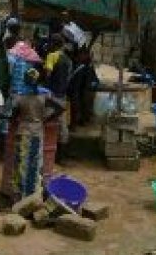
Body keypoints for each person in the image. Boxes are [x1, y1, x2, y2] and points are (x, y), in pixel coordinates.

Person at [9, 69, 64, 202]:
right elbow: (61, 108)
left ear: (25, 80)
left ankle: (20, 197)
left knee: (21, 164)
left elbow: (13, 116)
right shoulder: (44, 96)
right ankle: (33, 195)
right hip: (37, 133)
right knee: (35, 164)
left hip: (23, 133)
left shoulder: (20, 96)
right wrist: (47, 119)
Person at [44, 34, 72, 164]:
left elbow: (48, 74)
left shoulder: (51, 56)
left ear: (53, 44)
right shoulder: (68, 59)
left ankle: (46, 151)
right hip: (63, 95)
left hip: (51, 95)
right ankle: (61, 157)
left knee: (46, 122)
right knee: (62, 127)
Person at [67, 46, 99, 128]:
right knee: (79, 107)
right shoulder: (81, 66)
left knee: (79, 107)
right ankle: (79, 122)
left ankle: (78, 123)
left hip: (82, 91)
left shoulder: (85, 68)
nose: (79, 57)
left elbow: (93, 80)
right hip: (80, 91)